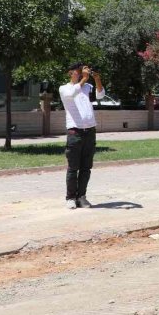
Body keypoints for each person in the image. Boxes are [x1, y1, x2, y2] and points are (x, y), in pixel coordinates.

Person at [58, 62, 105, 209]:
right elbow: (72, 94)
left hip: (90, 131)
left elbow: (101, 95)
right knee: (73, 167)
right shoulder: (64, 88)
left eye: (82, 71)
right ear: (70, 73)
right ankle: (71, 198)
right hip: (75, 131)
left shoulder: (87, 87)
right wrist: (84, 78)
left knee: (86, 167)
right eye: (78, 71)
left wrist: (97, 79)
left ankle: (82, 197)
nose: (80, 73)